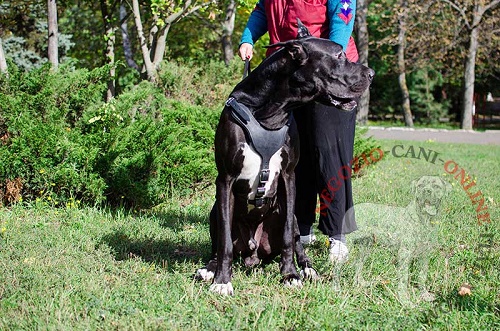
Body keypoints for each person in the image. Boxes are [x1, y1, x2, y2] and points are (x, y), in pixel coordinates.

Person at [238, 0, 359, 263]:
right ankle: (301, 227)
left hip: (330, 77)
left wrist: (332, 59)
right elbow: (262, 10)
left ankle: (337, 234)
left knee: (329, 156)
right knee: (295, 155)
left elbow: (343, 16)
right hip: (292, 80)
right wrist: (248, 38)